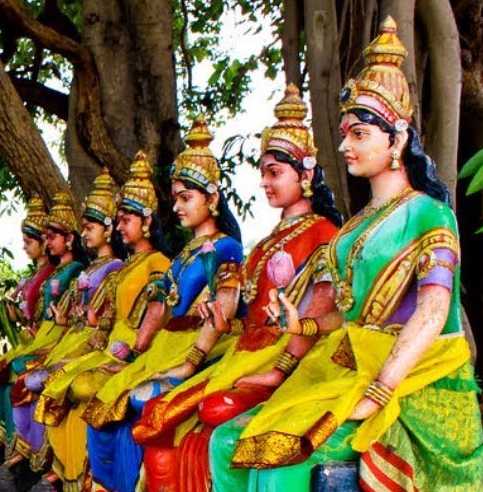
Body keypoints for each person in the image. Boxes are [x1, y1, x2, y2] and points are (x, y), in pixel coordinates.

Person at [209, 17, 483, 491]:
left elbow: (433, 314)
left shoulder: (430, 215)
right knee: (227, 442)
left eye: (359, 134)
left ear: (396, 139)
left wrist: (379, 393)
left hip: (417, 378)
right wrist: (304, 325)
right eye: (345, 133)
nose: (345, 145)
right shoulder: (351, 230)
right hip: (348, 364)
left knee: (286, 458)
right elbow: (349, 316)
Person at [133, 85, 343, 491]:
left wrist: (279, 372)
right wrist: (196, 353)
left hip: (287, 358)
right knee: (161, 418)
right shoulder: (264, 243)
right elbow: (234, 302)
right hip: (241, 354)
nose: (265, 182)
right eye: (262, 173)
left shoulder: (325, 235)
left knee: (212, 413)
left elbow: (317, 314)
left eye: (274, 172)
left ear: (306, 173)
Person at [82, 115, 245, 492]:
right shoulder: (184, 253)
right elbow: (157, 307)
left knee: (139, 400)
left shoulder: (226, 248)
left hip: (205, 348)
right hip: (164, 346)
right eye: (176, 199)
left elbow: (225, 304)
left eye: (186, 198)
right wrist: (134, 352)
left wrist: (190, 362)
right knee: (103, 400)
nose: (178, 207)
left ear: (213, 199)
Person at [33, 152, 171, 491]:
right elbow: (108, 320)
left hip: (139, 351)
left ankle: (85, 473)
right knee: (58, 379)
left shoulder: (159, 263)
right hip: (110, 345)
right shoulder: (123, 268)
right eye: (118, 220)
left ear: (147, 221)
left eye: (126, 220)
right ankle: (70, 471)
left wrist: (134, 352)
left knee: (79, 385)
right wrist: (93, 327)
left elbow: (159, 314)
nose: (121, 226)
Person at [13, 168, 127, 477]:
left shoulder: (116, 267)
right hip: (74, 335)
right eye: (85, 228)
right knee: (37, 378)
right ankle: (46, 456)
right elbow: (82, 309)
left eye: (90, 228)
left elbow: (108, 315)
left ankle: (69, 466)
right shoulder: (90, 268)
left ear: (109, 228)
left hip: (99, 341)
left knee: (52, 381)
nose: (87, 234)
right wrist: (70, 316)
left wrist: (91, 320)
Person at [7, 190, 87, 466]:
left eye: (50, 237)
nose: (46, 242)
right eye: (45, 237)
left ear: (70, 239)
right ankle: (27, 447)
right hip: (59, 335)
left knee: (35, 378)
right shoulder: (59, 272)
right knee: (10, 374)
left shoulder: (77, 269)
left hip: (79, 340)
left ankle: (48, 456)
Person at [0, 196, 56, 450]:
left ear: (44, 242)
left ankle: (20, 443)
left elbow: (48, 316)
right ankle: (4, 436)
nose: (24, 248)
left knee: (14, 374)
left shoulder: (54, 275)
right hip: (33, 337)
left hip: (49, 339)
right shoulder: (34, 276)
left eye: (28, 242)